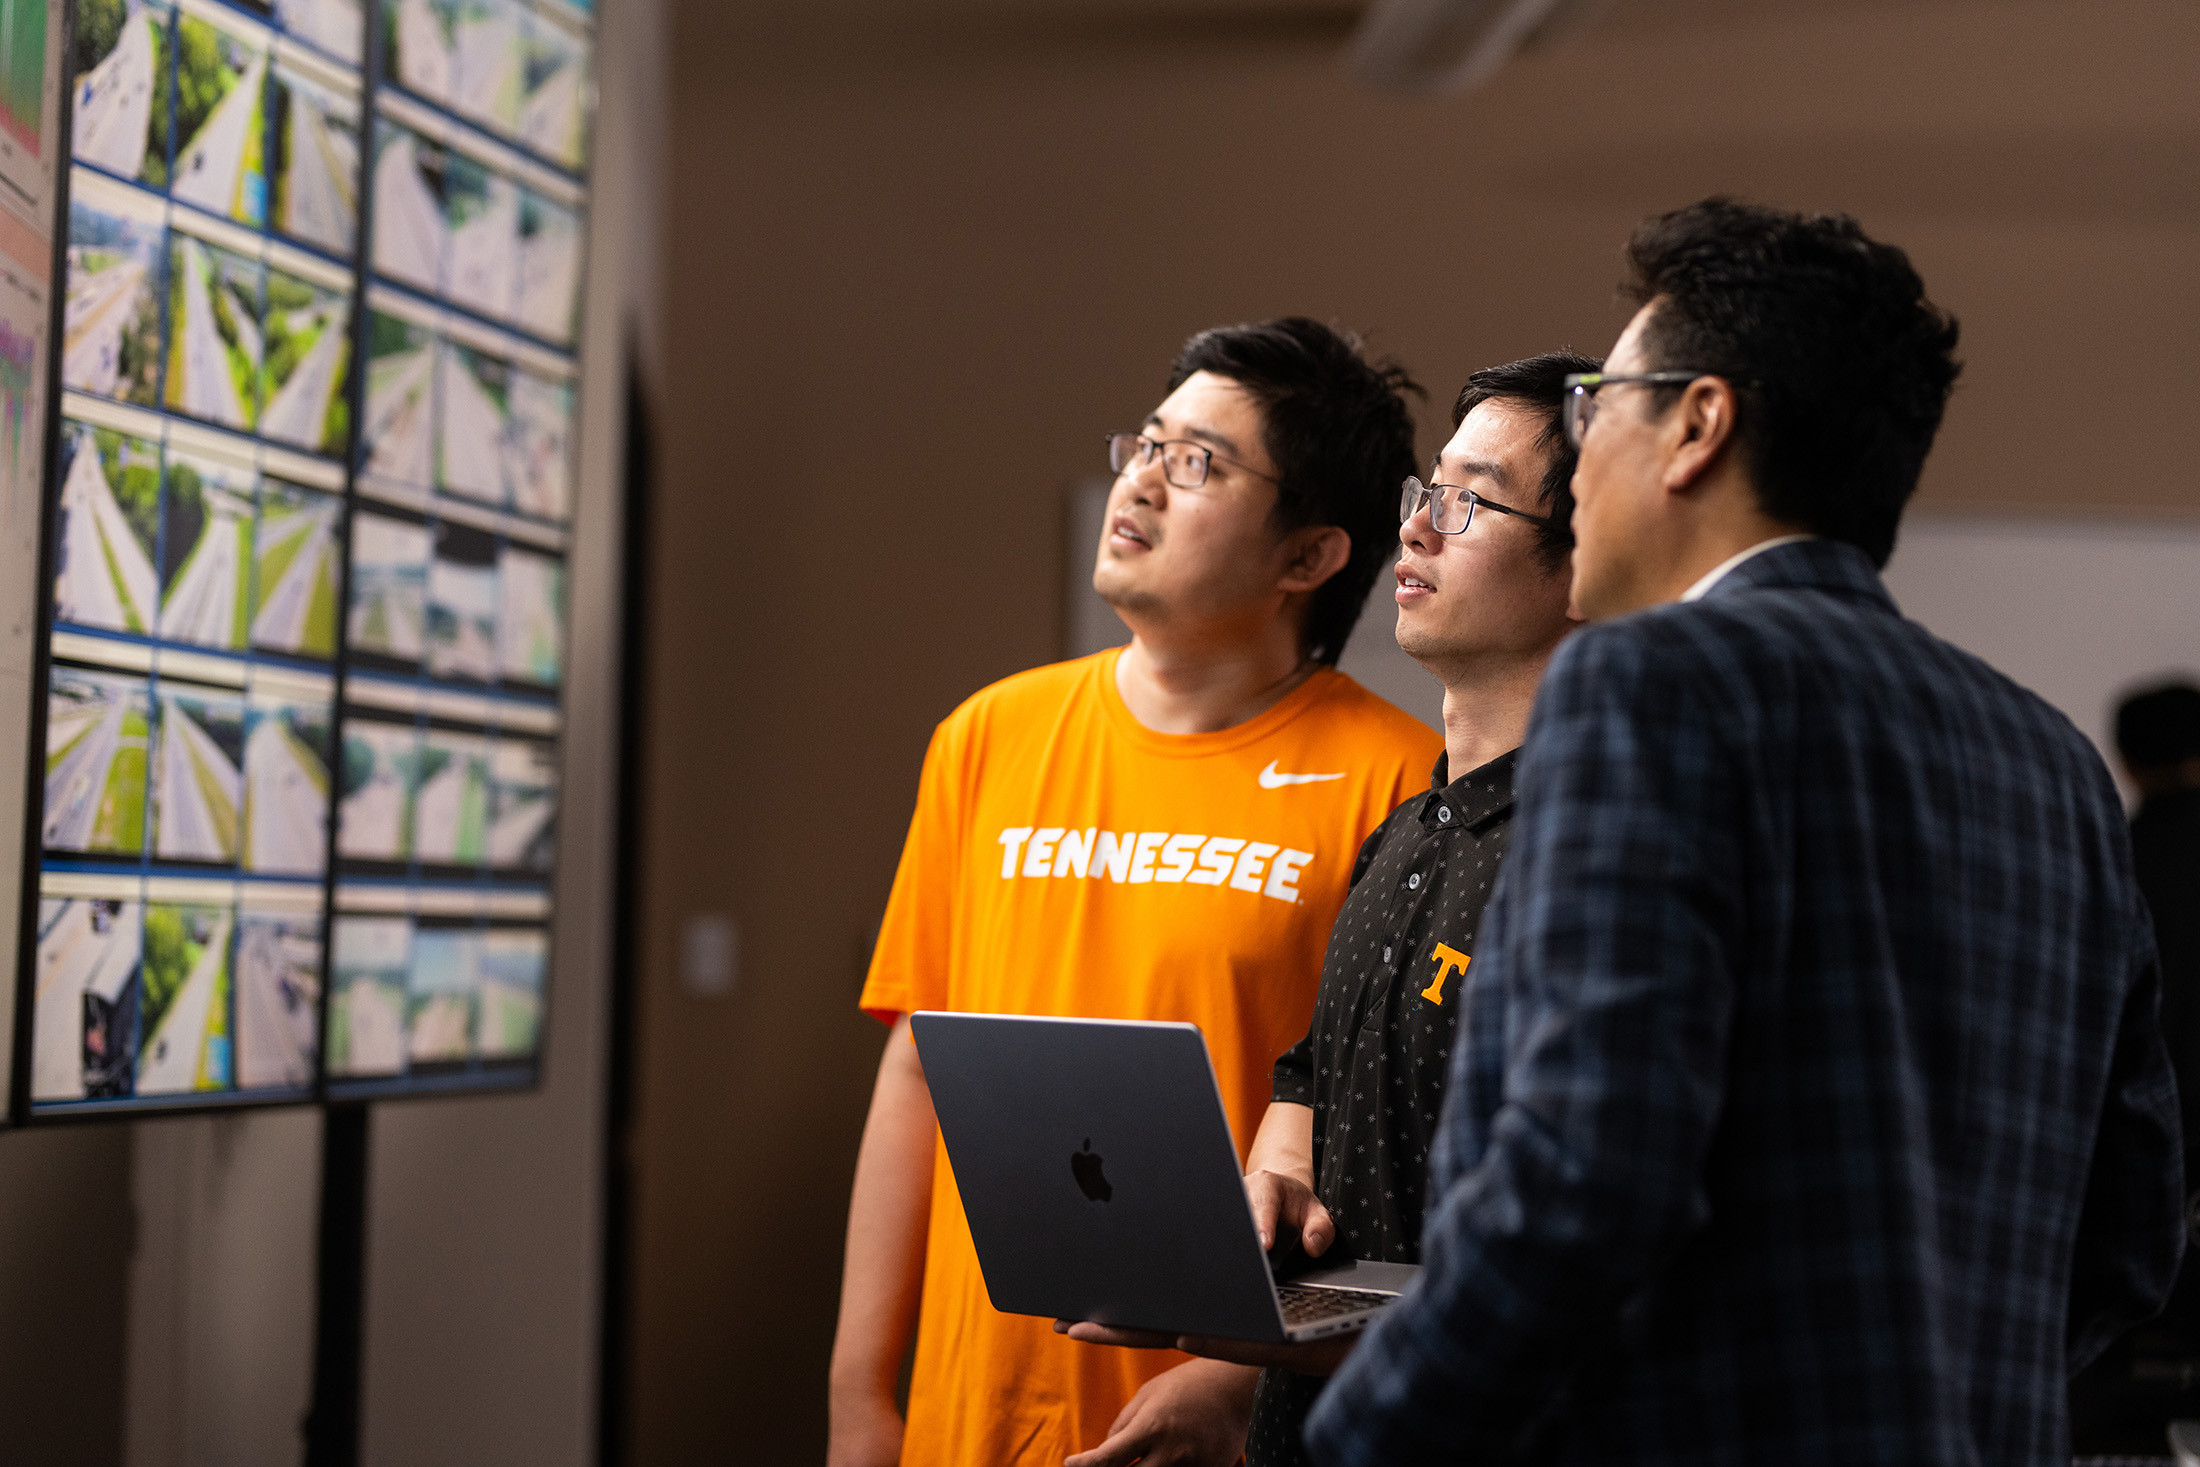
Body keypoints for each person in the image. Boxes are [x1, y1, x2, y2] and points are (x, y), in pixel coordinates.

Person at [1305, 199, 2185, 1466]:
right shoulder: (2049, 761)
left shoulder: (1651, 685)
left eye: (1597, 407)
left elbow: (1579, 1184)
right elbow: (2131, 1232)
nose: (1583, 448)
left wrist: (1364, 1440)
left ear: (1698, 425)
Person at [827, 318, 1445, 1467]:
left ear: (1308, 557)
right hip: (970, 1407)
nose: (1143, 481)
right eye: (1147, 444)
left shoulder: (1400, 783)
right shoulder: (988, 735)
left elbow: (1382, 1140)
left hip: (1211, 1421)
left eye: (1200, 462)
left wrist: (1227, 1385)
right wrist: (860, 1399)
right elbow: (918, 1063)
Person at [1058, 351, 1598, 1467]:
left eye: (1469, 501)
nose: (1417, 530)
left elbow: (1573, 1285)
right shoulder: (1408, 831)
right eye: (1421, 495)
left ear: (1584, 567)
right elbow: (1308, 1085)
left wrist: (1245, 1335)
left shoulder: (1596, 852)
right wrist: (1271, 1201)